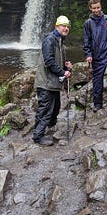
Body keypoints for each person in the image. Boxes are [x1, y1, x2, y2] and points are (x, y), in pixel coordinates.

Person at [32, 15, 73, 146]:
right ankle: (38, 136)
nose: (66, 28)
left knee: (56, 108)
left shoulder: (60, 41)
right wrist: (63, 72)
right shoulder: (50, 40)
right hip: (46, 83)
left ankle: (49, 127)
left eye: (67, 26)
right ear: (56, 26)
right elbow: (48, 61)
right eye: (63, 26)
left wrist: (66, 67)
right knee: (45, 109)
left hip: (54, 83)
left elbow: (57, 62)